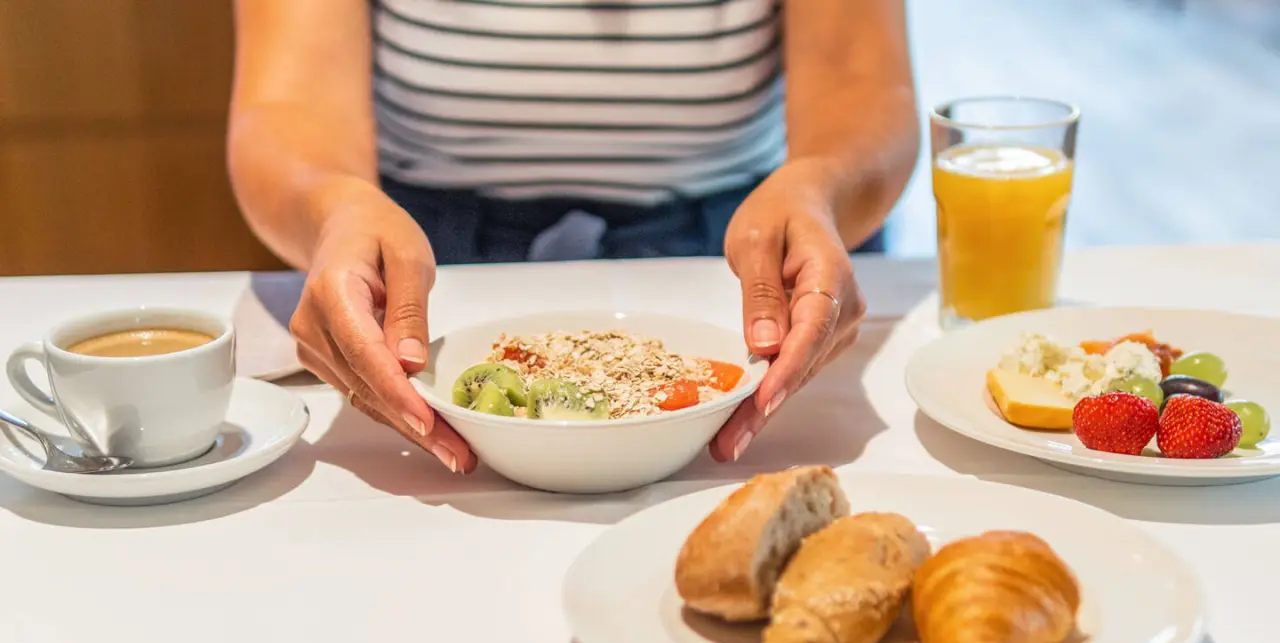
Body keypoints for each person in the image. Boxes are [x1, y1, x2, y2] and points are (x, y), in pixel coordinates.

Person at [227, 0, 919, 474]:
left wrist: (820, 186)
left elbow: (860, 85)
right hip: (423, 252)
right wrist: (334, 210)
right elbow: (290, 103)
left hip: (735, 250)